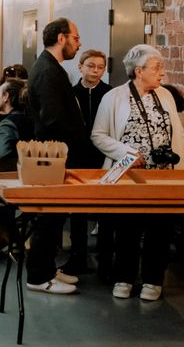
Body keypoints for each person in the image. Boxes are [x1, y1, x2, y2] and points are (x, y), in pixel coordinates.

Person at [92, 44, 184, 301]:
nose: (162, 73)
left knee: (160, 229)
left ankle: (153, 280)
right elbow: (97, 135)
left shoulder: (165, 95)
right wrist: (126, 153)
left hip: (163, 176)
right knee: (127, 229)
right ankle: (124, 277)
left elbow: (177, 134)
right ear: (139, 71)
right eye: (157, 68)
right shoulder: (114, 97)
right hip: (127, 175)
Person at [26, 17, 89, 295]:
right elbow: (53, 119)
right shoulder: (48, 71)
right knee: (49, 217)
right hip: (54, 156)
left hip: (58, 154)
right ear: (61, 38)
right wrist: (78, 135)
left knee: (54, 216)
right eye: (76, 38)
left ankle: (49, 268)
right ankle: (39, 276)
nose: (79, 43)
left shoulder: (51, 67)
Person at [63, 49, 113, 276]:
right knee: (78, 210)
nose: (95, 71)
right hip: (77, 156)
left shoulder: (110, 94)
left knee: (106, 210)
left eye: (100, 67)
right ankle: (78, 257)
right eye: (91, 66)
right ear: (80, 67)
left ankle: (105, 260)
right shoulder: (70, 94)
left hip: (103, 157)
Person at [0, 78, 34, 165]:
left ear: (5, 96)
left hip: (13, 173)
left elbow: (0, 153)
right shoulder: (32, 118)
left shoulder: (8, 124)